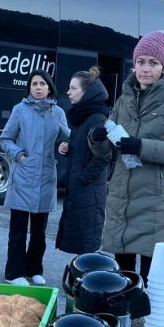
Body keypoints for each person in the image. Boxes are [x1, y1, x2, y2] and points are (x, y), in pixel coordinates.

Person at [90, 30, 164, 287]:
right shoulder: (124, 99)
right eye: (141, 62)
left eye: (153, 62)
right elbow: (107, 152)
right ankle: (127, 325)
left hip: (156, 204)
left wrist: (142, 147)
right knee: (122, 283)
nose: (145, 69)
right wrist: (96, 139)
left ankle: (148, 326)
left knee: (152, 283)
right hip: (122, 200)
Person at [0, 69, 70, 286]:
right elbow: (5, 139)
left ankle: (34, 269)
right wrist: (19, 156)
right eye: (34, 84)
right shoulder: (19, 110)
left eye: (42, 84)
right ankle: (13, 273)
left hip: (46, 176)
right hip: (24, 174)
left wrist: (65, 144)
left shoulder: (57, 112)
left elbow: (67, 138)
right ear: (29, 88)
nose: (38, 88)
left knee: (39, 232)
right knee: (18, 229)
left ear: (50, 87)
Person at [55, 67, 112, 256]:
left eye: (73, 88)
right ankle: (81, 278)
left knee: (87, 243)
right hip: (82, 189)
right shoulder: (83, 118)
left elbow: (104, 156)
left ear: (86, 93)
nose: (68, 92)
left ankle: (87, 281)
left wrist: (83, 177)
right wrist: (67, 148)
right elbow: (83, 149)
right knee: (82, 241)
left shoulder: (96, 119)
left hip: (88, 191)